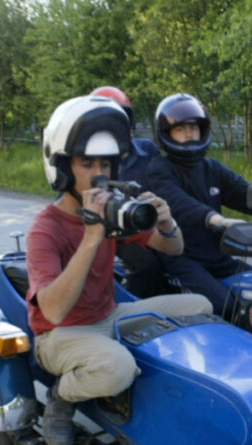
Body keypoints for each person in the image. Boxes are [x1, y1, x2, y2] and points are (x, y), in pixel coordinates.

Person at [27, 95, 212, 445]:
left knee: (200, 306)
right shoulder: (45, 229)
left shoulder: (112, 210)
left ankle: (172, 394)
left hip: (108, 315)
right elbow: (52, 311)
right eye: (86, 163)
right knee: (117, 368)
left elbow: (171, 248)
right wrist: (92, 237)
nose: (99, 174)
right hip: (59, 335)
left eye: (106, 164)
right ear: (63, 168)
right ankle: (60, 397)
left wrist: (168, 221)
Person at [146, 93, 252, 313]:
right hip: (182, 259)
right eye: (181, 129)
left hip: (218, 257)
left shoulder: (212, 168)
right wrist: (216, 219)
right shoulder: (159, 169)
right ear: (167, 134)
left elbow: (246, 194)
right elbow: (179, 203)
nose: (189, 133)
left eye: (194, 127)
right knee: (227, 308)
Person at [89, 85, 167, 298]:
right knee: (147, 265)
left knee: (176, 255)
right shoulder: (89, 158)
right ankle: (130, 311)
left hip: (145, 219)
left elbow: (162, 182)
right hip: (112, 230)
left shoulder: (148, 150)